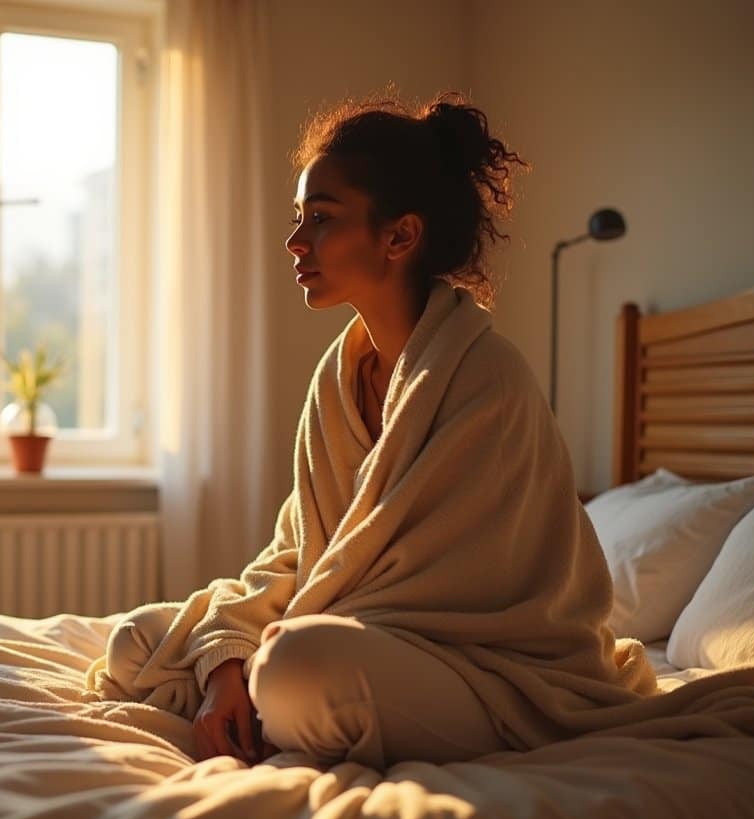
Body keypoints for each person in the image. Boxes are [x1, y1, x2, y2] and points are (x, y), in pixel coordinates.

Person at [85, 91, 661, 770]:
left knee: (295, 667)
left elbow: (448, 593)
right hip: (354, 637)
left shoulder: (487, 379)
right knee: (134, 642)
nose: (296, 241)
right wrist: (224, 661)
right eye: (299, 218)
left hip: (489, 671)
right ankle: (260, 697)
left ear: (399, 236)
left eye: (322, 219)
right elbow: (301, 555)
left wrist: (261, 649)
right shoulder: (338, 379)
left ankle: (276, 696)